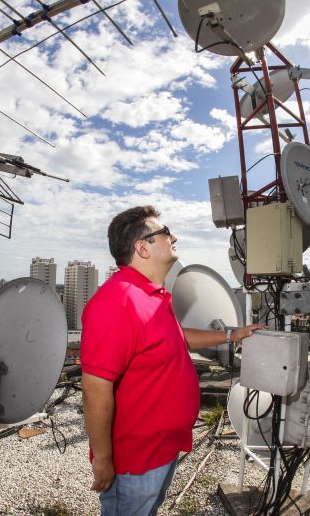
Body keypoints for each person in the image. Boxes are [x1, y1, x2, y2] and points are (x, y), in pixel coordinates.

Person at [81, 205, 262, 516]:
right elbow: (95, 390)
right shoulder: (116, 301)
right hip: (136, 461)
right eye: (164, 233)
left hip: (162, 450)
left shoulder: (151, 294)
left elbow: (179, 336)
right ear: (142, 248)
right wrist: (103, 458)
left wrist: (232, 336)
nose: (173, 237)